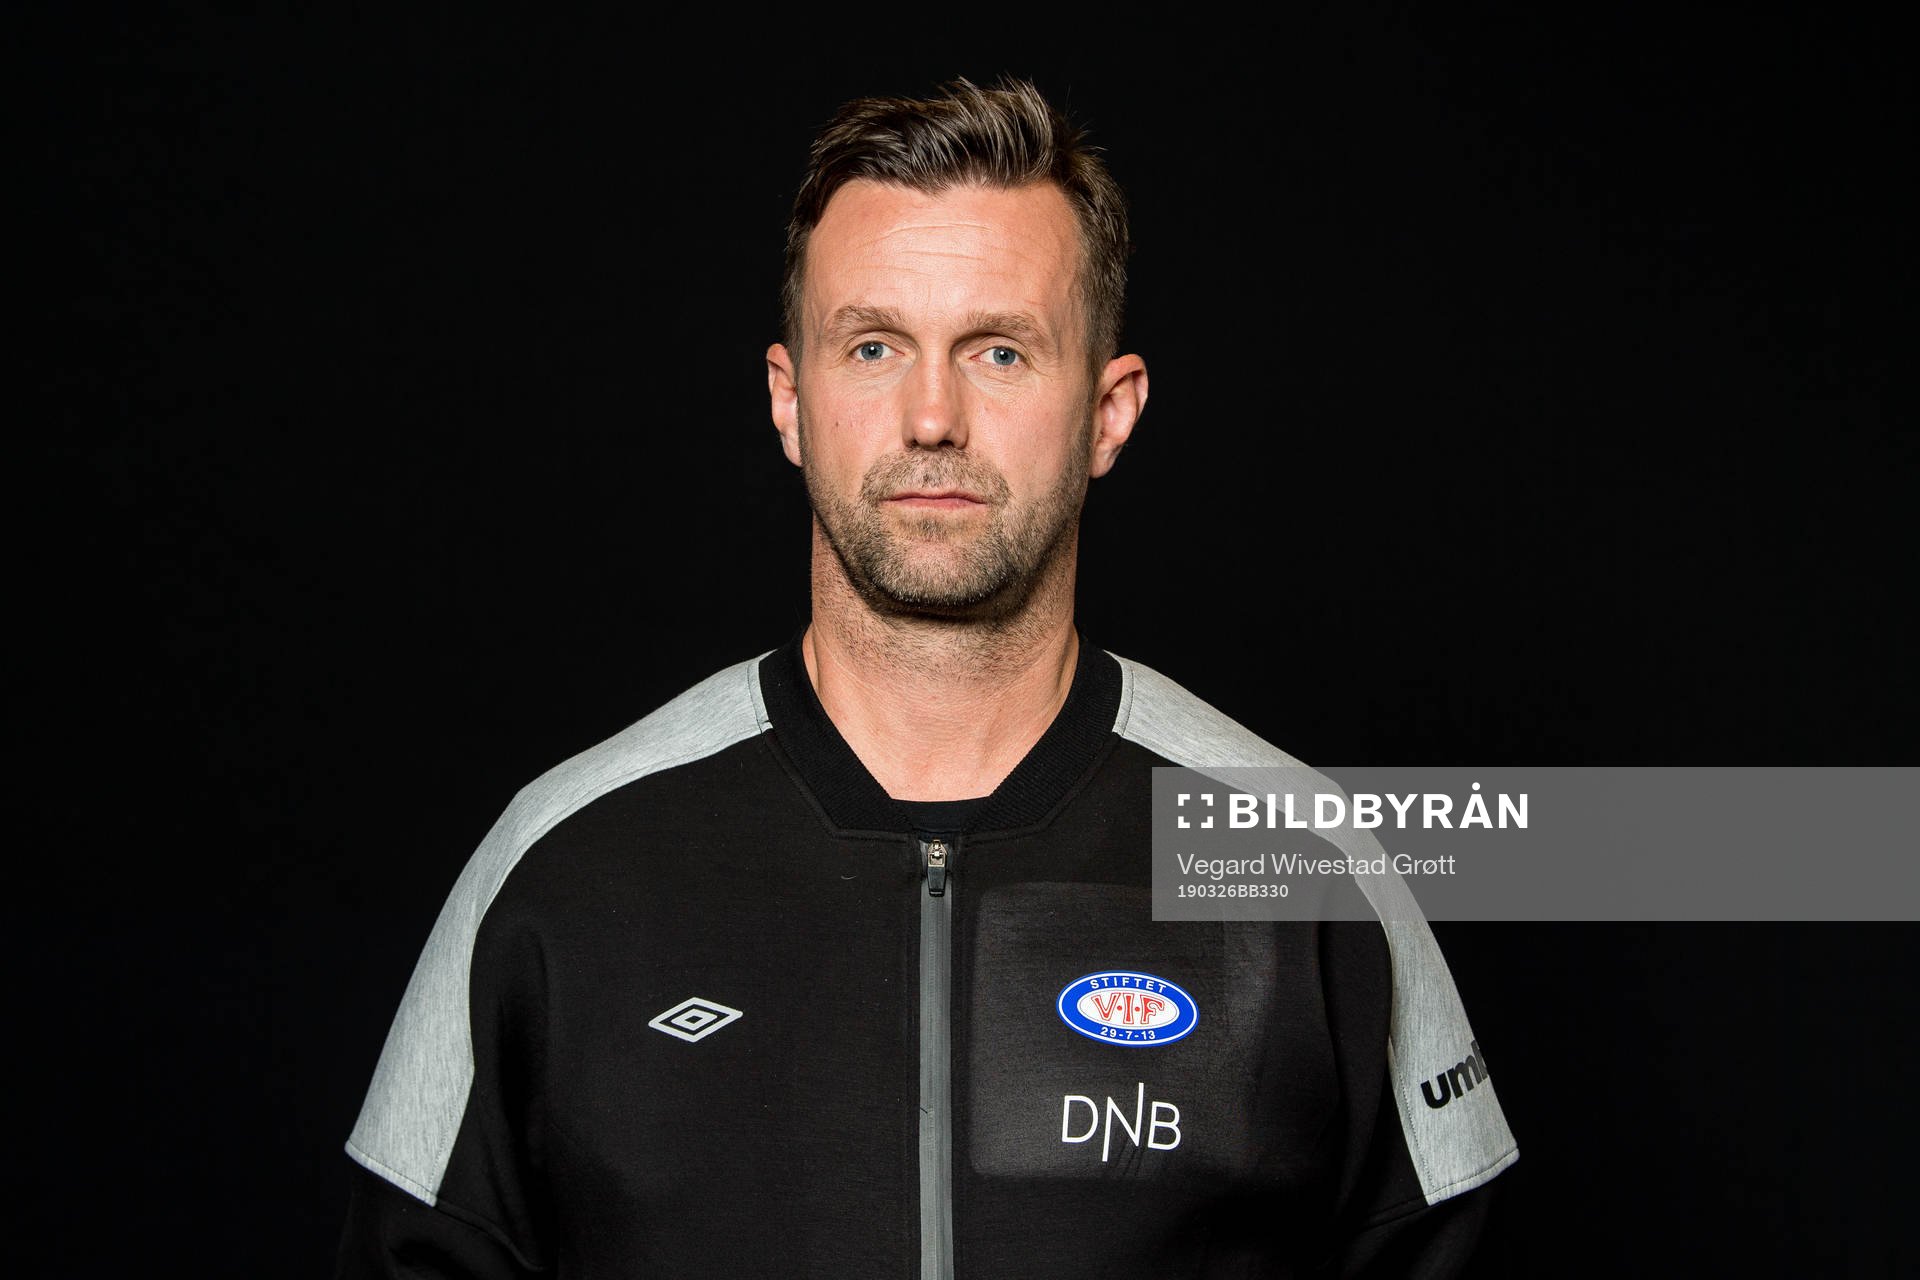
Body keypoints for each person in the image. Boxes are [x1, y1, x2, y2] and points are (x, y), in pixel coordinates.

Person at [335, 76, 1517, 1278]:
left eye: (1000, 350)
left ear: (1108, 412)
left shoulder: (1308, 861)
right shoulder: (559, 864)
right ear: (791, 400)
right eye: (874, 347)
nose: (933, 415)